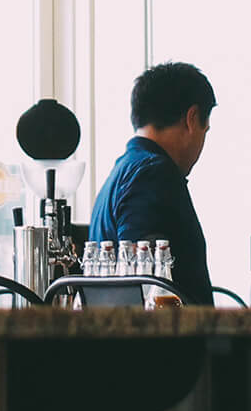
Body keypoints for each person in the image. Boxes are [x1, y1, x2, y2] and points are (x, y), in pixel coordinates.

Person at [88, 61, 215, 305]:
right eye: (205, 131)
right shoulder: (153, 174)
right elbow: (148, 285)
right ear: (191, 119)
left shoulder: (121, 171)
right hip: (166, 331)